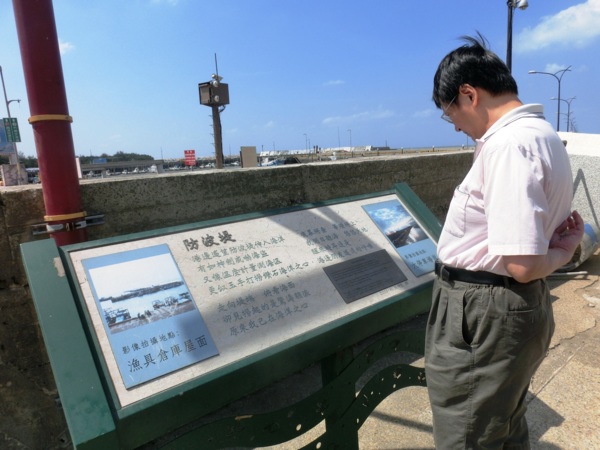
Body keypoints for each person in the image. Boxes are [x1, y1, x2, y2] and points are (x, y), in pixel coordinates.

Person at [425, 34, 584, 449]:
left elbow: (522, 264)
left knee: (467, 432)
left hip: (482, 312)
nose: (455, 126)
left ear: (469, 94)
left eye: (450, 113)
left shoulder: (509, 144)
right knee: (503, 423)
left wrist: (564, 251)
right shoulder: (542, 134)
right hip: (505, 308)